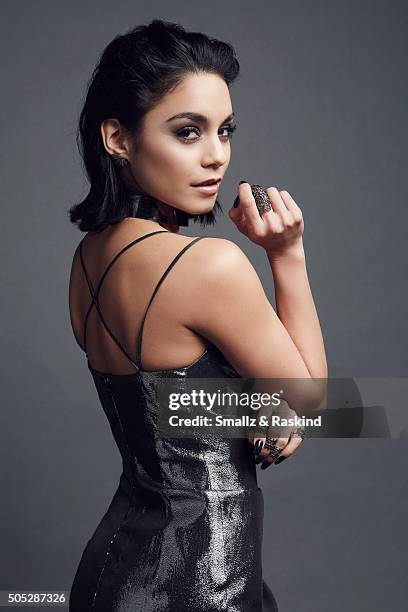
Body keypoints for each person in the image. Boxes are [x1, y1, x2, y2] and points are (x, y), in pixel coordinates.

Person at [68, 19, 327, 612]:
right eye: (188, 132)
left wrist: (255, 404)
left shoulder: (86, 261)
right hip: (202, 580)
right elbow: (315, 406)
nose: (216, 156)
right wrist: (287, 255)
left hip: (110, 574)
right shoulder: (209, 266)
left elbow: (163, 404)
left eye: (224, 130)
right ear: (118, 138)